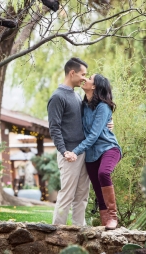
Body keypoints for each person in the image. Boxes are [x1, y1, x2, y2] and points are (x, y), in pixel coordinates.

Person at [47, 57, 113, 226]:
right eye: (83, 74)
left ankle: (80, 229)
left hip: (84, 152)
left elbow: (94, 116)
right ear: (72, 73)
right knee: (67, 194)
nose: (85, 78)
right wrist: (64, 152)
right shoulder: (57, 97)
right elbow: (54, 129)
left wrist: (108, 123)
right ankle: (57, 229)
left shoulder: (77, 96)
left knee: (82, 195)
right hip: (69, 153)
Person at [64, 74, 123, 230]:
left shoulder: (103, 107)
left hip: (109, 148)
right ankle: (106, 222)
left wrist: (75, 152)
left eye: (89, 78)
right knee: (97, 187)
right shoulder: (83, 106)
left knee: (103, 173)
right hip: (91, 154)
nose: (85, 79)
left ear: (95, 86)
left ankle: (112, 217)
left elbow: (94, 135)